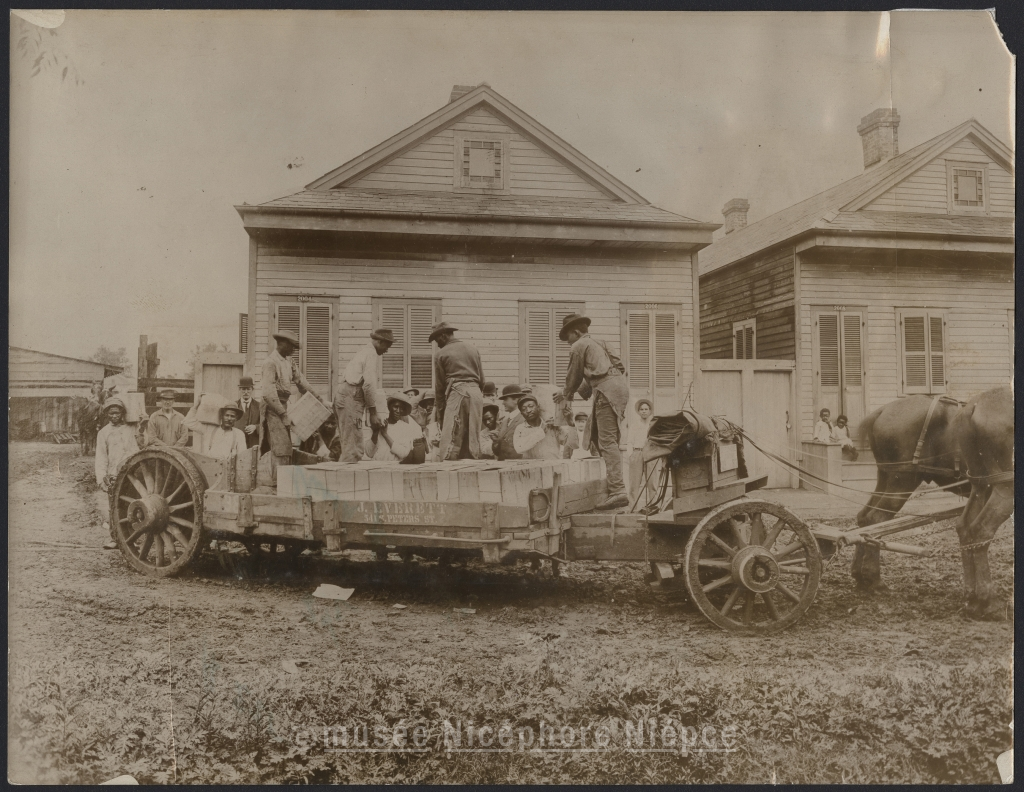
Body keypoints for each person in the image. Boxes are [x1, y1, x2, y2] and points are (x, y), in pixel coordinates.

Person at [557, 313, 630, 510]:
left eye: (568, 336)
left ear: (576, 332)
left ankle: (618, 491)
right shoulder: (601, 342)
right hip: (617, 389)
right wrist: (584, 390)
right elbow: (618, 367)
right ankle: (613, 485)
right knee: (599, 437)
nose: (568, 342)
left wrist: (566, 396)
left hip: (606, 392)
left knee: (607, 441)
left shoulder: (578, 346)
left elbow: (573, 376)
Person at [262, 329, 323, 478]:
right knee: (281, 447)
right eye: (292, 346)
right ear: (282, 343)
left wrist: (321, 400)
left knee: (286, 447)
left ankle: (283, 479)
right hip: (272, 408)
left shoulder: (290, 362)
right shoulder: (270, 363)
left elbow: (302, 383)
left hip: (283, 406)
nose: (294, 350)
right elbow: (268, 394)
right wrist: (283, 415)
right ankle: (277, 481)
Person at [335, 329, 393, 463]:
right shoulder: (371, 354)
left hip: (346, 395)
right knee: (353, 448)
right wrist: (373, 412)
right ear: (379, 342)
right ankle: (348, 476)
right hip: (351, 396)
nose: (387, 350)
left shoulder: (364, 351)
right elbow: (368, 385)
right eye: (387, 346)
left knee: (349, 444)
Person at [430, 322, 485, 460]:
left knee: (450, 441)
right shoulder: (473, 349)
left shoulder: (440, 354)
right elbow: (482, 381)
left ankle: (448, 470)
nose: (437, 344)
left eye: (437, 340)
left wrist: (441, 413)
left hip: (457, 394)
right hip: (476, 394)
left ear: (443, 336)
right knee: (472, 438)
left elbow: (439, 387)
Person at [95, 397, 139, 549]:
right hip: (113, 475)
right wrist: (101, 478)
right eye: (111, 413)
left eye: (117, 413)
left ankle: (131, 539)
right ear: (107, 414)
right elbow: (101, 456)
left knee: (131, 506)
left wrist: (142, 424)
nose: (114, 416)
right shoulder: (103, 433)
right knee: (114, 507)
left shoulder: (131, 429)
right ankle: (115, 539)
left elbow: (141, 444)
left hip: (132, 474)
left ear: (122, 413)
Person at [366, 393, 425, 463]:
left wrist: (385, 435)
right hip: (376, 466)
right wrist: (375, 432)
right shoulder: (379, 424)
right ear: (389, 407)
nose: (398, 411)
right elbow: (369, 453)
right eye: (396, 407)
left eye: (402, 408)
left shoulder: (406, 428)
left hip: (394, 467)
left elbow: (404, 453)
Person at [512, 394, 568, 460]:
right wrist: (542, 430)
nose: (528, 410)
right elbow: (519, 448)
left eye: (531, 406)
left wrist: (569, 422)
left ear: (538, 407)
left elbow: (570, 444)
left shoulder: (551, 426)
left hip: (552, 465)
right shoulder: (520, 428)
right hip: (531, 466)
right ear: (521, 413)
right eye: (524, 409)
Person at [626, 399, 655, 505]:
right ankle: (633, 506)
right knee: (634, 483)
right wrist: (631, 455)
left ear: (650, 411)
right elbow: (629, 442)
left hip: (650, 454)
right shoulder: (634, 425)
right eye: (641, 409)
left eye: (646, 409)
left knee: (652, 482)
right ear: (638, 411)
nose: (644, 411)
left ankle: (653, 505)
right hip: (637, 453)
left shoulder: (653, 425)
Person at [236, 376, 262, 449]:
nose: (246, 392)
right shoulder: (234, 406)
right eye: (243, 389)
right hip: (238, 443)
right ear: (239, 389)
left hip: (254, 444)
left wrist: (256, 427)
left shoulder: (259, 406)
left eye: (248, 389)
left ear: (252, 389)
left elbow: (265, 424)